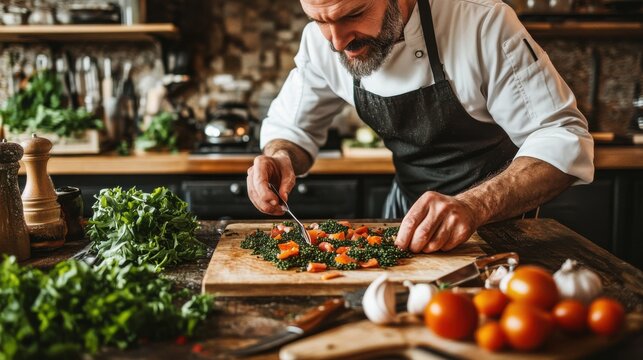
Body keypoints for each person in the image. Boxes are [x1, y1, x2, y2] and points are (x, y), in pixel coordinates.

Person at [246, 0, 594, 254]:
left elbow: (563, 137)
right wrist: (280, 158)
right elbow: (292, 130)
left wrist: (475, 206)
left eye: (353, 14)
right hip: (405, 218)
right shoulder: (321, 43)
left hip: (501, 228)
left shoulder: (483, 23)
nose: (336, 42)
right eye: (319, 21)